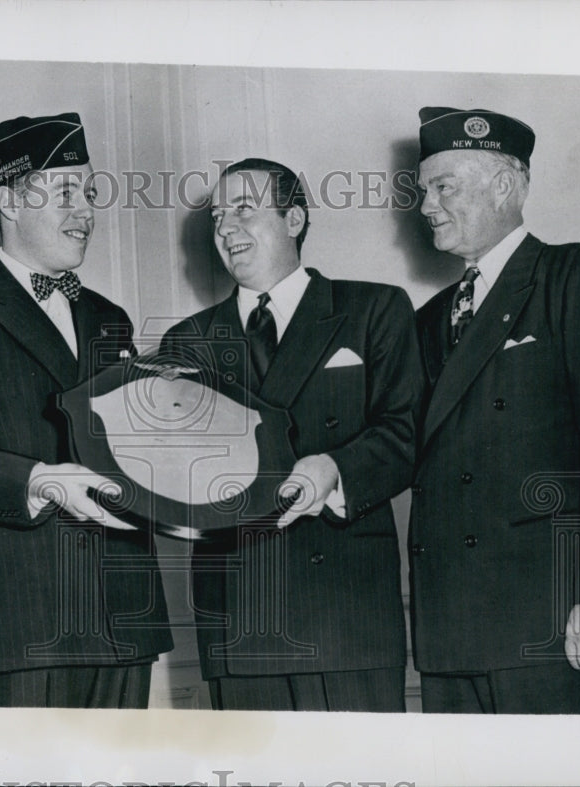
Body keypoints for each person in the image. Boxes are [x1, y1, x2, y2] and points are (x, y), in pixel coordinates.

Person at [0, 113, 173, 707]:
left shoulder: (110, 318)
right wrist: (42, 482)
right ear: (9, 201)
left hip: (125, 615)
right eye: (65, 193)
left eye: (90, 193)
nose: (86, 211)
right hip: (21, 623)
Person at [161, 158, 423, 711]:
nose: (226, 228)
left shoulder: (373, 309)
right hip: (238, 617)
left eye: (243, 209)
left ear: (295, 219)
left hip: (345, 616)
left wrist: (335, 468)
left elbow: (406, 432)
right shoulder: (187, 341)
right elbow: (177, 477)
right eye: (217, 217)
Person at [410, 107, 580, 713]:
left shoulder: (575, 273)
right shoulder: (428, 319)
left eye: (443, 187)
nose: (426, 205)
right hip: (447, 627)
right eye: (423, 190)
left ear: (504, 185)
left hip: (553, 621)